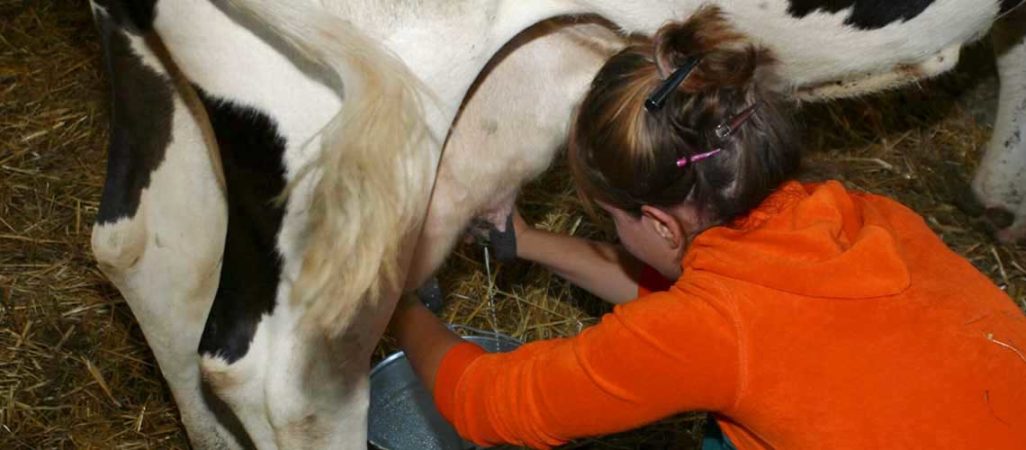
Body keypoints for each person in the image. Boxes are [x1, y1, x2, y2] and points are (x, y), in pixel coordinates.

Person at [389, 7, 1026, 449]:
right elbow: (697, 306)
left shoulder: (717, 333)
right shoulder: (859, 217)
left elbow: (487, 403)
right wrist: (524, 241)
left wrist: (395, 302)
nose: (615, 233)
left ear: (663, 226)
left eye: (613, 220)